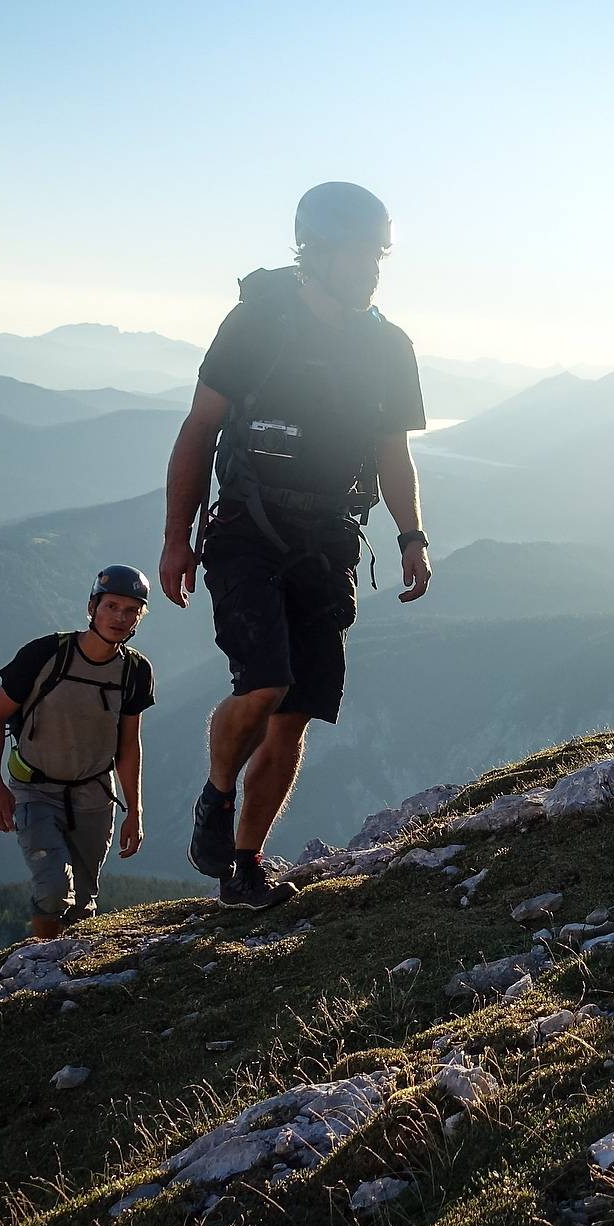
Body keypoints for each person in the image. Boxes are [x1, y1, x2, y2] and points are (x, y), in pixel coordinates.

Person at [158, 181, 433, 907]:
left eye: (378, 254)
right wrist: (176, 539)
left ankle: (243, 867)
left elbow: (392, 451)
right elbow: (198, 429)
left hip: (331, 540)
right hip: (249, 527)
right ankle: (216, 800)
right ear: (314, 252)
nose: (371, 267)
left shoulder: (388, 346)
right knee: (267, 682)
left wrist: (411, 534)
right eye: (357, 253)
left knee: (297, 710)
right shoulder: (256, 326)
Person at [0, 565, 156, 941]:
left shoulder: (135, 671)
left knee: (83, 904)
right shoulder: (45, 654)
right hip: (35, 790)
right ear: (92, 607)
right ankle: (42, 965)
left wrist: (134, 810)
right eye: (111, 606)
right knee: (53, 887)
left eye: (131, 610)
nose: (120, 617)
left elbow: (128, 745)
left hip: (95, 796)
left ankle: (69, 972)